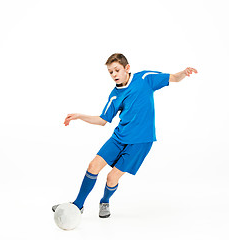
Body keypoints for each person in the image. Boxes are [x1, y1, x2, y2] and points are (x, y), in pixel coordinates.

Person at [52, 53, 198, 218]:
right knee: (93, 166)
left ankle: (105, 201)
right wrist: (80, 116)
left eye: (116, 70)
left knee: (111, 178)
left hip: (140, 142)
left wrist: (184, 73)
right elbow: (102, 120)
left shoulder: (145, 78)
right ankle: (78, 205)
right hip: (119, 137)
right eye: (110, 72)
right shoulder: (115, 95)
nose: (114, 75)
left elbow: (174, 78)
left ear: (127, 68)